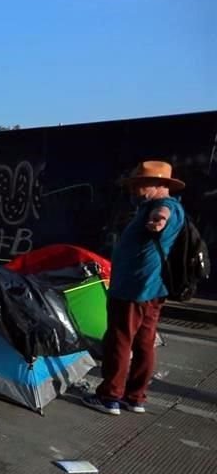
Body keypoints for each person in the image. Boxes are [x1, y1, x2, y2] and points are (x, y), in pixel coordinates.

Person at [83, 161, 186, 416]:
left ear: (159, 185)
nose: (135, 190)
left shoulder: (164, 207)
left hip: (134, 289)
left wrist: (157, 221)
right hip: (151, 289)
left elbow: (163, 214)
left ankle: (110, 397)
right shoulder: (153, 206)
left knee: (120, 340)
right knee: (144, 343)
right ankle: (135, 397)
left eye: (140, 184)